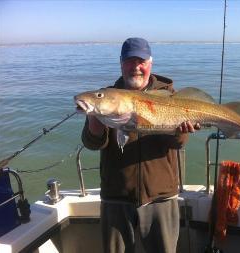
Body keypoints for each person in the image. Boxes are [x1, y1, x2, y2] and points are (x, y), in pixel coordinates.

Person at [81, 37, 199, 253]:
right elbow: (92, 143)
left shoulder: (170, 96)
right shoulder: (108, 96)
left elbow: (178, 143)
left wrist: (181, 132)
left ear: (150, 63)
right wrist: (93, 118)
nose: (136, 67)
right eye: (129, 61)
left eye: (141, 61)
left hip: (160, 197)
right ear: (121, 63)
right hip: (116, 198)